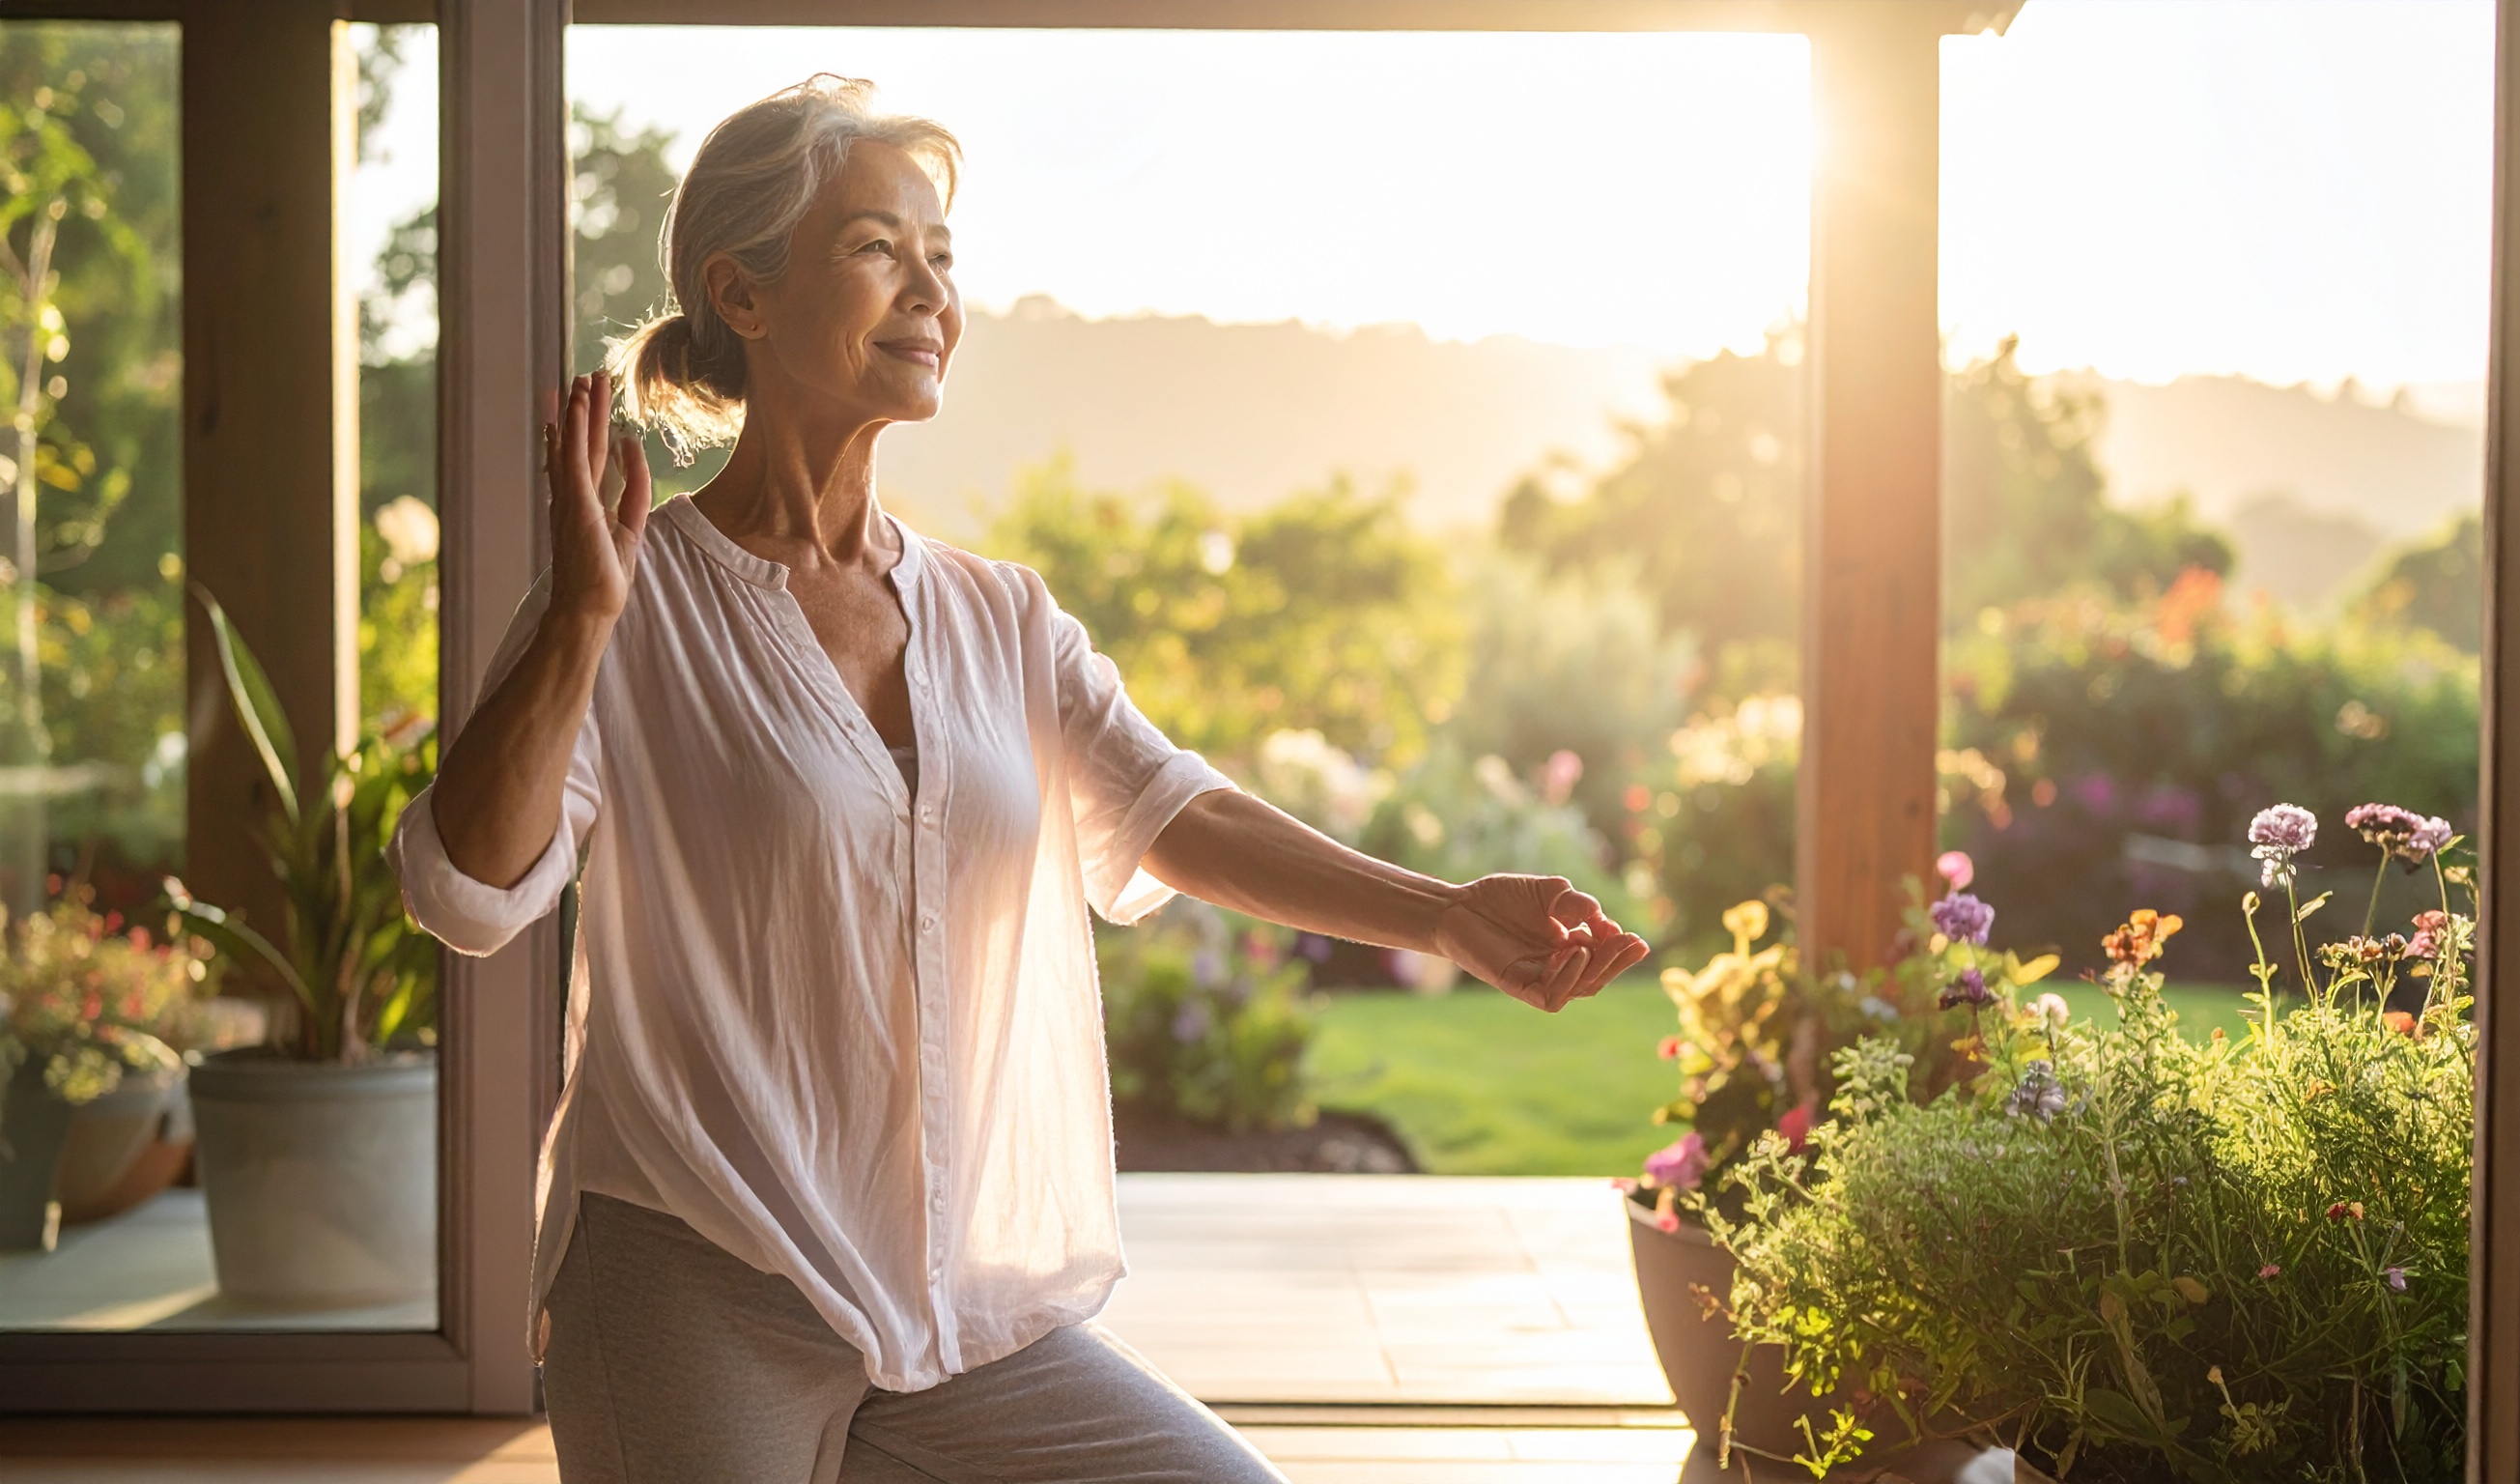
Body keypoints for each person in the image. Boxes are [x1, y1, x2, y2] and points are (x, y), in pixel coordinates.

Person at [392, 74, 1647, 1484]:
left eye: (942, 255)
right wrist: (577, 620)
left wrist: (1445, 914)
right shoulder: (633, 598)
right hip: (697, 1283)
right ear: (742, 294)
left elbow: (1180, 810)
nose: (932, 292)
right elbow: (466, 890)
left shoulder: (1002, 618)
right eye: (878, 248)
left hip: (956, 1310)